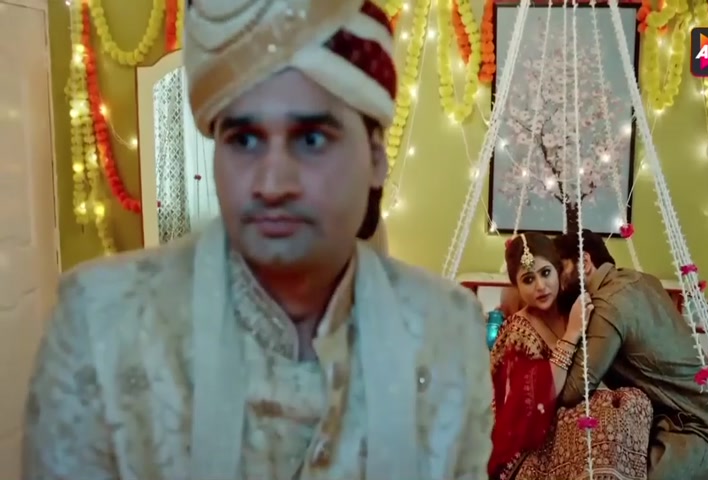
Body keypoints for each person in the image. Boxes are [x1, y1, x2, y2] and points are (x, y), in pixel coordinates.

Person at [22, 2, 493, 479]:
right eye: (244, 140)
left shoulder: (449, 334)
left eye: (311, 139)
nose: (272, 184)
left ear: (375, 158)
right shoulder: (101, 325)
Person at [553, 229, 708, 480]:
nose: (554, 283)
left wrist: (569, 335)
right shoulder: (642, 280)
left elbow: (573, 391)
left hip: (695, 429)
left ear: (584, 262)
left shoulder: (607, 305)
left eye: (559, 269)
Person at [489, 232, 653, 480]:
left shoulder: (573, 308)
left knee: (635, 401)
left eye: (545, 273)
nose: (540, 286)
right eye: (528, 279)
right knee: (603, 421)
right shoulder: (518, 330)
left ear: (558, 271)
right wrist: (572, 334)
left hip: (574, 413)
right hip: (531, 442)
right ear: (517, 287)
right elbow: (534, 405)